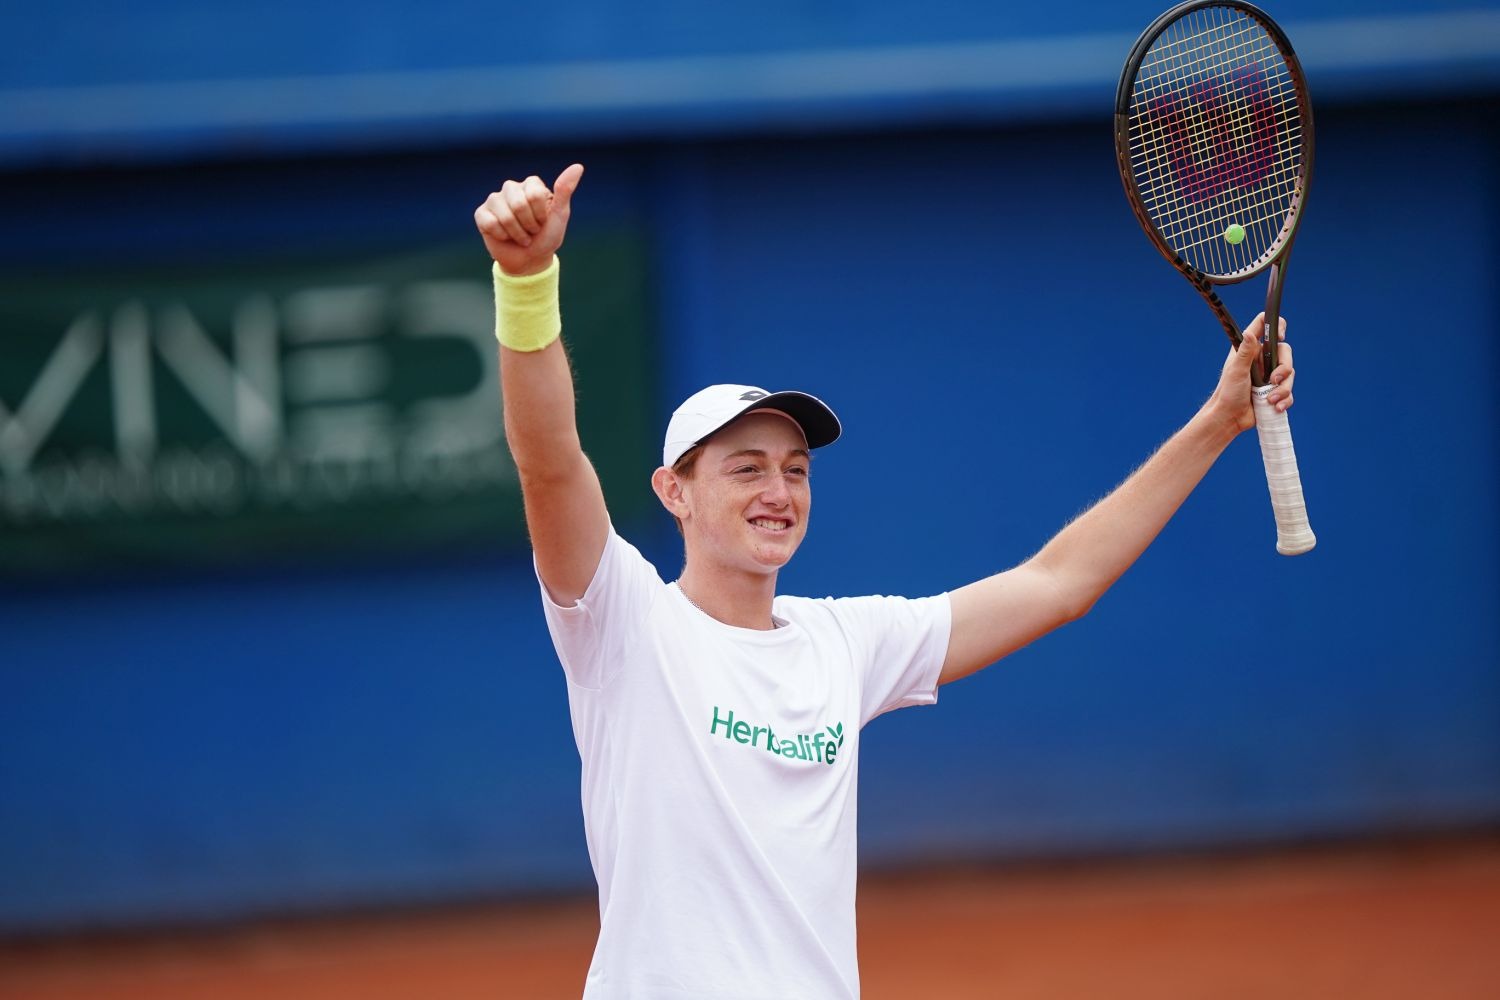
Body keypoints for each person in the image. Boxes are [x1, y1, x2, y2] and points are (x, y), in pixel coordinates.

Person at [473, 164, 1296, 1000]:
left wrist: (1219, 418)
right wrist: (527, 280)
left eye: (796, 471)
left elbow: (1059, 583)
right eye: (746, 469)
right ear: (673, 491)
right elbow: (549, 463)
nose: (778, 493)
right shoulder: (624, 622)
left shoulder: (846, 643)